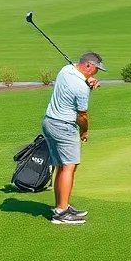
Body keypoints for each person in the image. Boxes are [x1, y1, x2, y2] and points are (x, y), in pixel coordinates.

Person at [42, 52, 105, 225]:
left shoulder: (65, 70)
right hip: (64, 127)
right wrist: (84, 131)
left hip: (49, 123)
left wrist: (87, 81)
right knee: (69, 167)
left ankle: (61, 205)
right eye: (95, 70)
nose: (95, 74)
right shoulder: (81, 87)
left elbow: (75, 77)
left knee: (61, 166)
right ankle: (61, 214)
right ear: (87, 66)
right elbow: (82, 116)